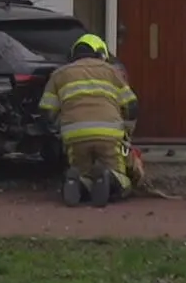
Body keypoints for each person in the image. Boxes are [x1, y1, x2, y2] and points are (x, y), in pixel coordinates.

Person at [39, 33, 138, 207]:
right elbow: (132, 105)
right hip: (109, 133)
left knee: (81, 170)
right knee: (122, 178)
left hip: (74, 134)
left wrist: (59, 129)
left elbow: (47, 111)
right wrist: (127, 132)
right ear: (101, 53)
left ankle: (80, 183)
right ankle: (111, 178)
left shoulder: (59, 74)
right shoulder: (112, 71)